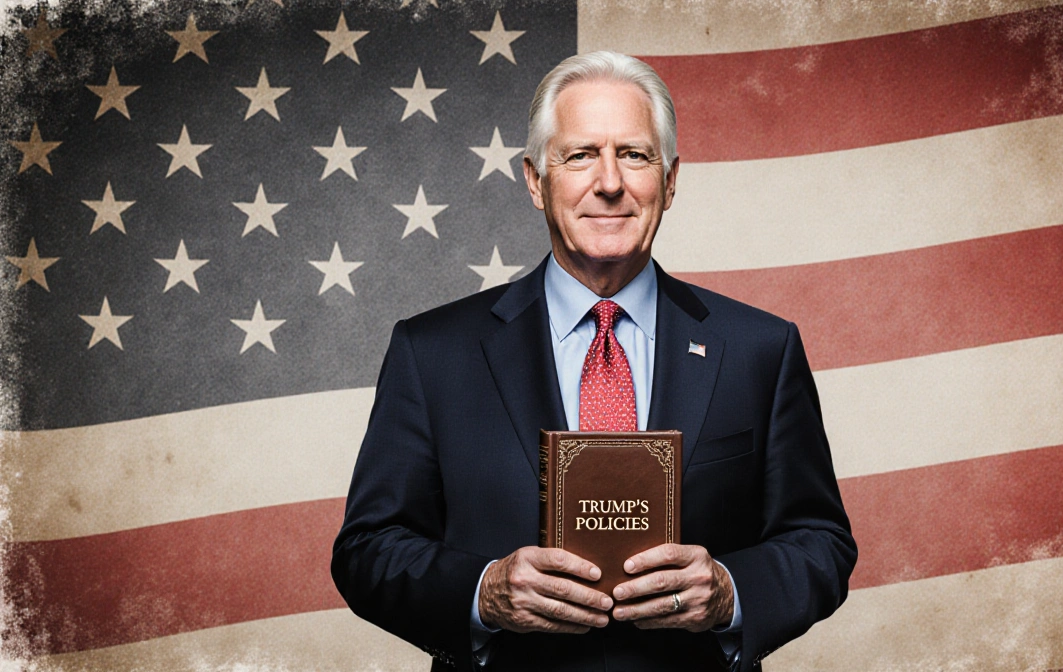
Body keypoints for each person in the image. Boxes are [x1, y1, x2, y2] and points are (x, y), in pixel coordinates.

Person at [331, 51, 856, 672]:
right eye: (580, 155)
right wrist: (484, 591)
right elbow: (366, 551)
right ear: (534, 180)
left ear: (671, 178)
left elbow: (821, 542)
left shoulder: (760, 349)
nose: (610, 182)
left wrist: (729, 591)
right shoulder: (433, 353)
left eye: (634, 155)